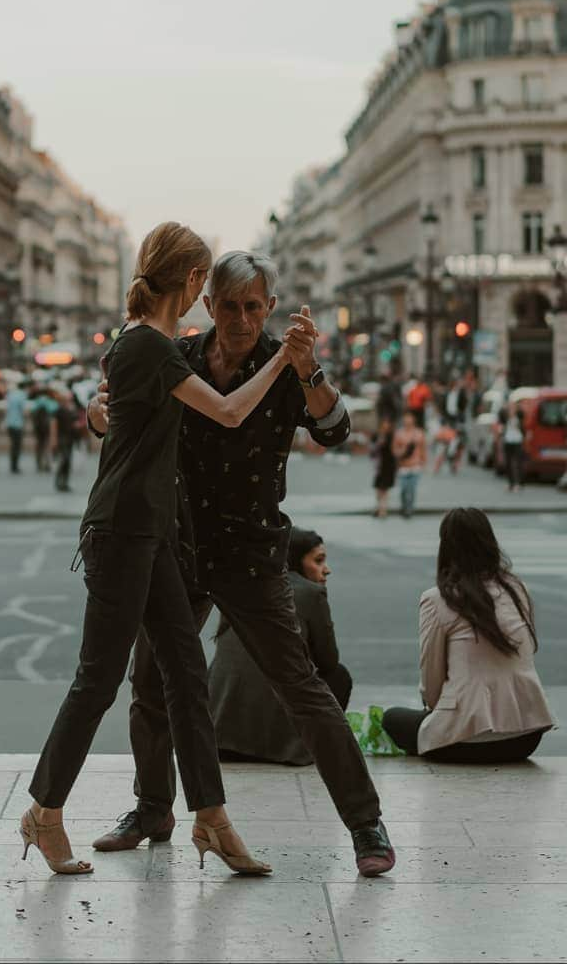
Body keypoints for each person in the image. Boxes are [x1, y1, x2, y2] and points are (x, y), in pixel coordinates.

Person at [89, 249, 396, 879]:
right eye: (229, 305)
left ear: (271, 308)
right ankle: (152, 809)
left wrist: (310, 370)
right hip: (179, 547)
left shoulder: (287, 362)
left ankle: (365, 823)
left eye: (253, 307)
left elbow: (334, 430)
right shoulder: (181, 354)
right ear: (208, 305)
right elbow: (123, 417)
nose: (241, 319)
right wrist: (98, 415)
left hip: (253, 550)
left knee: (302, 688)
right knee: (150, 685)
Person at [21, 224, 311, 879]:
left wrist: (99, 414)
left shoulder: (139, 345)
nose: (204, 297)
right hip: (125, 532)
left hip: (147, 533)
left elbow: (117, 421)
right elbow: (231, 412)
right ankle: (44, 810)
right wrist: (283, 357)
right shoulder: (150, 345)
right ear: (188, 281)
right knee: (97, 680)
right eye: (202, 283)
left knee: (185, 675)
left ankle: (211, 818)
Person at [382, 506, 554, 762]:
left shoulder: (438, 599)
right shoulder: (518, 589)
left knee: (391, 718)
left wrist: (439, 710)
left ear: (446, 548)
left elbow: (432, 682)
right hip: (525, 736)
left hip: (462, 741)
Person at [208, 528, 351, 765]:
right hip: (281, 749)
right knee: (339, 676)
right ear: (295, 561)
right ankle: (312, 744)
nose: (326, 569)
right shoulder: (310, 593)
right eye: (318, 560)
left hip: (220, 742)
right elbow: (329, 661)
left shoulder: (242, 584)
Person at [392, 410, 426, 518]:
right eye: (406, 418)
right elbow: (394, 449)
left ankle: (409, 510)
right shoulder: (399, 433)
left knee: (412, 490)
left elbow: (423, 449)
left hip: (415, 465)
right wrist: (400, 453)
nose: (407, 420)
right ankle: (404, 506)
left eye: (409, 418)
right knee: (403, 490)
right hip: (403, 466)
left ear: (413, 419)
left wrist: (423, 462)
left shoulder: (419, 433)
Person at [53, 388, 80, 492]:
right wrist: (54, 439)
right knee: (64, 459)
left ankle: (64, 482)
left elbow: (75, 421)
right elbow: (54, 425)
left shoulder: (71, 409)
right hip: (62, 437)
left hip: (70, 438)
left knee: (67, 460)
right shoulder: (59, 410)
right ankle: (59, 481)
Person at [372, 416, 397, 518]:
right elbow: (372, 449)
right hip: (379, 466)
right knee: (378, 489)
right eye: (384, 425)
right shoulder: (377, 435)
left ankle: (383, 510)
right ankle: (379, 508)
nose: (385, 427)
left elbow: (394, 451)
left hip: (388, 466)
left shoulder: (391, 437)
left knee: (385, 490)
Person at [30, 388, 58, 472]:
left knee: (39, 445)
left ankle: (39, 463)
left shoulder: (37, 401)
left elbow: (32, 411)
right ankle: (47, 463)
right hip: (47, 426)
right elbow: (55, 410)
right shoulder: (50, 402)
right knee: (47, 444)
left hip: (38, 426)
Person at [5, 382, 29, 474]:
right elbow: (23, 410)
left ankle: (12, 465)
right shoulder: (22, 395)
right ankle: (15, 466)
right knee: (17, 446)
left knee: (13, 445)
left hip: (9, 422)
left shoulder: (11, 394)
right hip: (18, 423)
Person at [502, 404, 525, 493]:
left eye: (513, 409)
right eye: (510, 409)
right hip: (508, 441)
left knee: (517, 463)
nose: (511, 411)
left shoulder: (519, 418)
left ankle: (518, 484)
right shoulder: (505, 418)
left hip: (517, 441)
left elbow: (523, 429)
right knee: (508, 463)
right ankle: (511, 483)